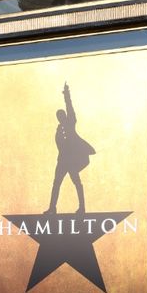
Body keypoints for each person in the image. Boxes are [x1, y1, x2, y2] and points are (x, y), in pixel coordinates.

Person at [45, 82, 96, 215]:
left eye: (61, 115)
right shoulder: (58, 130)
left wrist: (67, 94)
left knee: (77, 183)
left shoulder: (70, 122)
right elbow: (59, 146)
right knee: (56, 184)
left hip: (72, 160)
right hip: (62, 161)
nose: (60, 117)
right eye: (58, 116)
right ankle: (52, 208)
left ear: (64, 116)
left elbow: (69, 107)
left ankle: (82, 207)